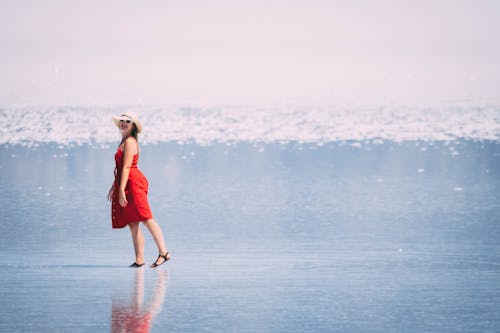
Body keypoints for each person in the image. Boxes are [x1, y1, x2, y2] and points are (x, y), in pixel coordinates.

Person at [107, 112, 171, 268]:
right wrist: (114, 186)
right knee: (133, 223)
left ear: (133, 125)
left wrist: (121, 189)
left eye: (127, 121)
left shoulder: (130, 142)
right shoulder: (124, 140)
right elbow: (121, 167)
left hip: (134, 183)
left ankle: (164, 253)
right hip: (126, 181)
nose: (123, 123)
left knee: (146, 218)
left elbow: (128, 166)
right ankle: (139, 259)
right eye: (121, 121)